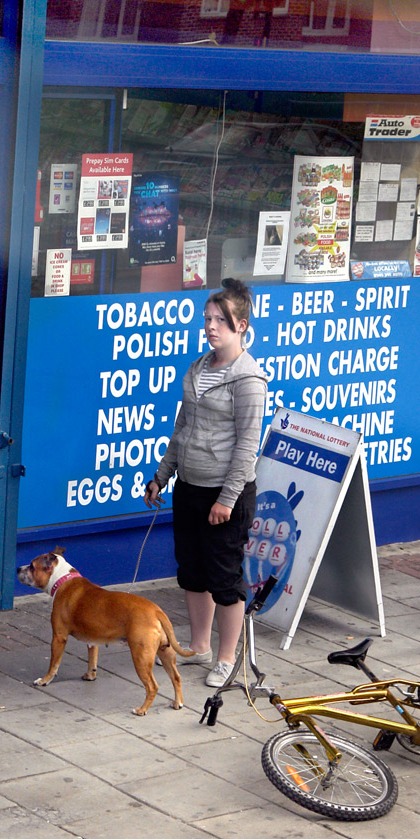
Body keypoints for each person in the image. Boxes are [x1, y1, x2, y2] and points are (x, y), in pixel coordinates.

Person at [144, 278, 268, 687]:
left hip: (225, 495)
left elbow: (247, 445)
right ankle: (200, 646)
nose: (211, 327)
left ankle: (229, 658)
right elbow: (183, 427)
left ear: (242, 326)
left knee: (224, 578)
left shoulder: (248, 380)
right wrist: (162, 476)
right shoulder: (198, 367)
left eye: (221, 320)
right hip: (190, 487)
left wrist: (227, 499)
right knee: (192, 571)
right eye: (208, 319)